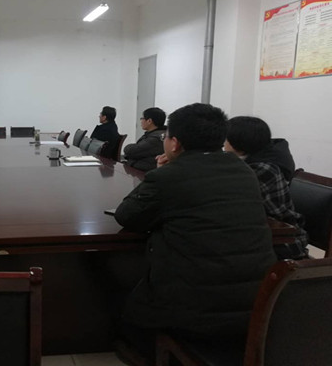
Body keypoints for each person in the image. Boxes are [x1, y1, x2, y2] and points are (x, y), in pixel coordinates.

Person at [113, 103, 276, 365]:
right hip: (258, 305)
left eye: (166, 137)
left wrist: (161, 172)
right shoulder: (244, 171)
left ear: (175, 143)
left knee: (128, 315)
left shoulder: (169, 176)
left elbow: (127, 215)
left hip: (195, 311)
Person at [224, 116, 307, 260]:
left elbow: (230, 200)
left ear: (238, 143)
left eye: (226, 139)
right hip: (263, 235)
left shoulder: (263, 169)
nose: (223, 144)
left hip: (283, 242)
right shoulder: (255, 160)